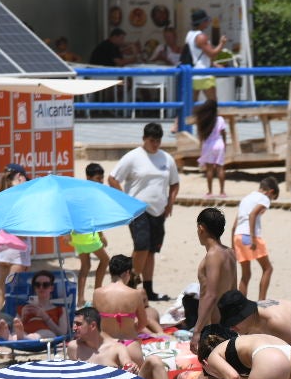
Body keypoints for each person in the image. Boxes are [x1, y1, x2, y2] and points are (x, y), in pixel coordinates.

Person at [110, 123, 180, 301]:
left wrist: (170, 203)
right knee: (141, 246)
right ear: (144, 139)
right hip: (138, 209)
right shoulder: (133, 157)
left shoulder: (167, 158)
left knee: (151, 251)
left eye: (158, 141)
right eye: (152, 141)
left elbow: (174, 183)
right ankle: (130, 284)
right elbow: (113, 178)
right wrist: (125, 200)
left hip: (159, 210)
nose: (155, 144)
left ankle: (148, 290)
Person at [71, 163, 113, 305]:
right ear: (89, 177)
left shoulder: (78, 192)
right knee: (105, 260)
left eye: (102, 178)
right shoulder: (93, 192)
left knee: (85, 266)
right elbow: (95, 216)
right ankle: (97, 293)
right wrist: (101, 235)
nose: (101, 181)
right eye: (98, 178)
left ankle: (80, 299)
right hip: (89, 234)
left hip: (77, 234)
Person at [0, 166, 29, 318]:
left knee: (1, 292)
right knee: (14, 294)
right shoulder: (21, 198)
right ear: (19, 177)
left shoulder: (1, 196)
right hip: (18, 250)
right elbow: (23, 230)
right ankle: (9, 326)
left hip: (3, 248)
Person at [193, 207, 236, 333]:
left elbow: (211, 295)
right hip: (227, 324)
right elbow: (234, 292)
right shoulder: (230, 252)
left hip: (213, 328)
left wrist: (197, 331)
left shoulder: (213, 255)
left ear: (201, 228)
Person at [234, 175, 278, 299]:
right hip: (250, 235)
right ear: (271, 192)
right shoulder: (264, 198)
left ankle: (241, 305)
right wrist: (253, 238)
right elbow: (253, 215)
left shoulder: (246, 199)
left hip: (238, 236)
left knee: (245, 274)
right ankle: (262, 302)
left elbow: (235, 223)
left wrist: (233, 245)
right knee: (268, 268)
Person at [185, 9, 226, 102]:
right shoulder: (201, 37)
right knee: (212, 102)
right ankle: (209, 116)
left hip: (193, 71)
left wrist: (214, 64)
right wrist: (222, 43)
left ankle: (188, 117)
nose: (208, 22)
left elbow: (198, 54)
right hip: (204, 73)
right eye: (207, 20)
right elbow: (212, 53)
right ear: (202, 22)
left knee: (191, 103)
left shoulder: (189, 35)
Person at [192, 99, 228, 196]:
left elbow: (200, 136)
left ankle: (210, 192)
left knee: (209, 169)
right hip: (219, 144)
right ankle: (222, 191)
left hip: (208, 145)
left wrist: (201, 146)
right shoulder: (220, 119)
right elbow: (223, 133)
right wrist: (225, 144)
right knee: (220, 168)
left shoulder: (204, 120)